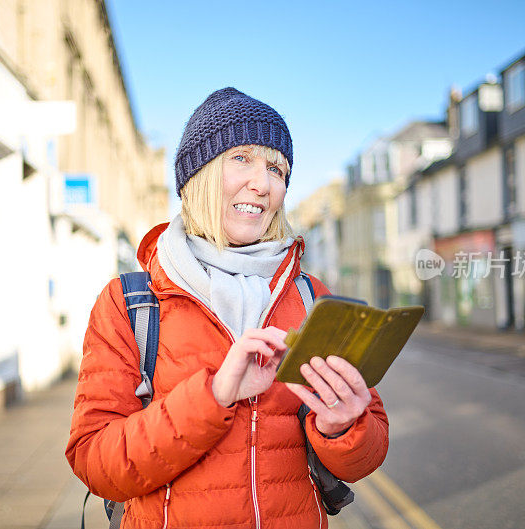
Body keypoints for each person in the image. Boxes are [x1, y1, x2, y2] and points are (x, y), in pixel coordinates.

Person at [66, 87, 389, 529]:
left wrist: (343, 428)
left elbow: (367, 449)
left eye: (277, 168)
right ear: (197, 173)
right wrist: (215, 395)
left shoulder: (312, 297)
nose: (262, 182)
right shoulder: (130, 304)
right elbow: (96, 462)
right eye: (241, 158)